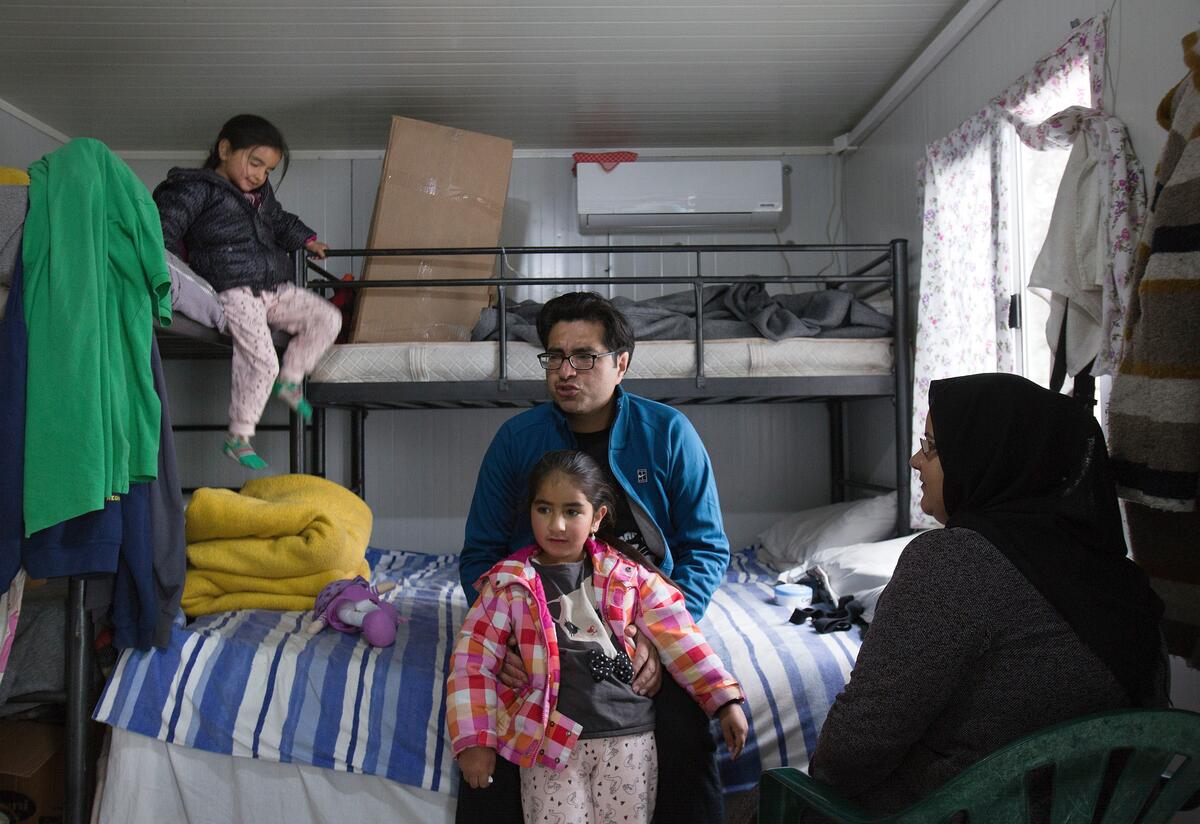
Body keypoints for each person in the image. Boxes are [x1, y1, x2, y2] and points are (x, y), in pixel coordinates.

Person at [808, 372, 1167, 814]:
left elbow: (847, 756)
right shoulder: (1123, 581)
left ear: (990, 458)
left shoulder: (954, 561)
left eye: (932, 446)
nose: (915, 461)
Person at [459, 291, 732, 823]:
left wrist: (659, 638)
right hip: (537, 613)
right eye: (555, 357)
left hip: (639, 613)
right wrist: (508, 638)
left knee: (684, 721)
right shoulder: (517, 440)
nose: (566, 371)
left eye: (584, 357)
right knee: (495, 719)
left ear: (621, 364)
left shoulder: (667, 433)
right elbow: (479, 555)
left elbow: (705, 547)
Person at [448, 450, 748, 824]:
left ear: (597, 517)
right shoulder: (506, 584)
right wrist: (475, 741)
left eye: (572, 511)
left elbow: (680, 635)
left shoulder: (630, 575)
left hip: (630, 740)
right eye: (544, 509)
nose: (556, 524)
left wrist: (724, 700)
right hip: (548, 744)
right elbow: (471, 662)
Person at [153, 114, 341, 469]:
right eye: (255, 163)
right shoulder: (196, 188)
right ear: (225, 150)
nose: (259, 175)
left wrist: (307, 239)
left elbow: (280, 221)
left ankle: (291, 380)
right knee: (263, 359)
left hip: (271, 286)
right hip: (233, 289)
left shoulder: (260, 196)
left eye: (268, 170)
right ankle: (238, 437)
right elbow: (165, 226)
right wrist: (172, 266)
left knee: (327, 318)